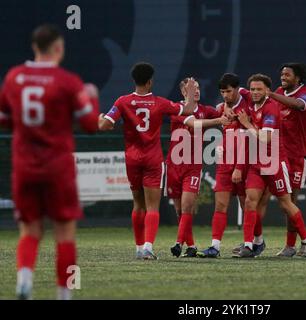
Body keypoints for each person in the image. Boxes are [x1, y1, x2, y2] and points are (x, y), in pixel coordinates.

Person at [0, 24, 99, 299]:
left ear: (34, 47)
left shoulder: (13, 77)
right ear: (58, 48)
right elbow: (91, 124)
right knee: (65, 235)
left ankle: (24, 281)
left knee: (29, 230)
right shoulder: (68, 81)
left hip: (25, 166)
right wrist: (92, 96)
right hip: (58, 167)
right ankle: (64, 294)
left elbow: (4, 120)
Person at [98, 63, 196, 260]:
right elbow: (188, 109)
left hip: (132, 159)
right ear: (150, 81)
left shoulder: (123, 101)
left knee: (138, 204)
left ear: (134, 80)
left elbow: (104, 125)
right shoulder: (159, 102)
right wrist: (191, 93)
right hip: (152, 159)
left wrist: (100, 117)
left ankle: (138, 247)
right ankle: (148, 249)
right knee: (152, 207)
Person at [232, 74, 306, 258]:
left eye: (259, 89)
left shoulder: (271, 109)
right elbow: (237, 92)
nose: (254, 92)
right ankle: (249, 245)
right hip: (256, 163)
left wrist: (245, 123)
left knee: (286, 203)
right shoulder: (251, 104)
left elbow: (266, 137)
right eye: (252, 89)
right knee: (249, 201)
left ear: (267, 91)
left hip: (275, 163)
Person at [166, 78, 229, 258]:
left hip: (193, 166)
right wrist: (220, 119)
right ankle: (191, 246)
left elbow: (221, 109)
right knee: (179, 209)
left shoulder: (205, 110)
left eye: (198, 87)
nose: (196, 91)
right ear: (184, 92)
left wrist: (227, 109)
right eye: (192, 88)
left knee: (187, 206)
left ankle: (178, 243)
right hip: (174, 164)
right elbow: (194, 123)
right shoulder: (176, 108)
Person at [197, 73, 253, 258]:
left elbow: (247, 140)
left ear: (237, 89)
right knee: (220, 205)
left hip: (243, 163)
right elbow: (202, 118)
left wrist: (238, 166)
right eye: (222, 92)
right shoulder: (221, 108)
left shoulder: (247, 106)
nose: (225, 95)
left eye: (229, 91)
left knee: (247, 205)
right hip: (224, 164)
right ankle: (215, 247)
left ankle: (250, 243)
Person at [267, 62, 306, 257]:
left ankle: (291, 244)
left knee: (290, 201)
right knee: (267, 198)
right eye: (282, 74)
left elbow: (298, 105)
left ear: (298, 78)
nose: (283, 77)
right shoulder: (279, 91)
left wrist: (270, 95)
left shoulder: (305, 94)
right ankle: (253, 242)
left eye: (287, 74)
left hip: (296, 155)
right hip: (277, 154)